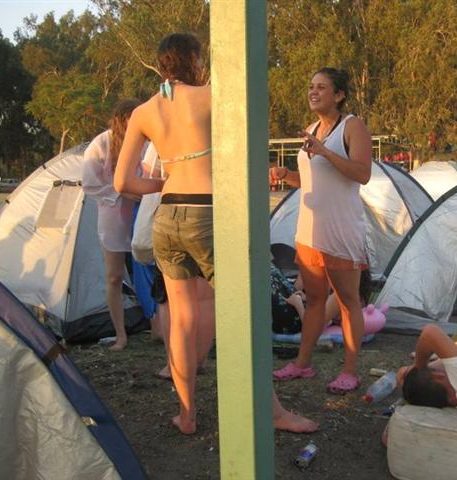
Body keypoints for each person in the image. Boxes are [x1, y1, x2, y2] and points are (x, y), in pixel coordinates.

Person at [114, 32, 317, 435]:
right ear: (194, 60)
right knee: (242, 314)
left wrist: (165, 183)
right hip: (208, 215)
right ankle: (273, 411)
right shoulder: (212, 96)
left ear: (161, 65)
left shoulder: (144, 111)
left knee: (181, 320)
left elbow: (123, 182)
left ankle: (186, 415)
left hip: (167, 217)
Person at [269, 67, 372, 394]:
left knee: (347, 301)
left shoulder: (352, 126)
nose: (313, 92)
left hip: (341, 232)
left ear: (339, 95)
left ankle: (350, 371)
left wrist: (326, 151)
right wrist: (286, 175)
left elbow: (363, 173)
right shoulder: (312, 129)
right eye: (311, 86)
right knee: (314, 300)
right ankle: (302, 364)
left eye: (322, 87)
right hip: (310, 231)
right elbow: (312, 179)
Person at [83, 99, 142, 352]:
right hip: (113, 214)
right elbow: (90, 184)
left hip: (142, 211)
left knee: (148, 271)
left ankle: (158, 324)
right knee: (114, 276)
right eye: (132, 117)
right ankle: (121, 335)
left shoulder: (146, 141)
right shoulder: (101, 144)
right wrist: (121, 192)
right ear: (121, 119)